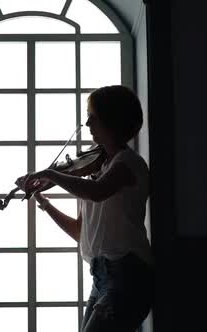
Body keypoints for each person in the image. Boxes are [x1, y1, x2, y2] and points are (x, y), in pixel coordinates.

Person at [16, 85, 152, 332]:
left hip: (127, 274)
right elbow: (80, 233)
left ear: (113, 120)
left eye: (94, 116)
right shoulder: (100, 171)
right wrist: (45, 204)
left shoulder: (127, 163)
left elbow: (97, 192)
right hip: (101, 277)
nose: (87, 122)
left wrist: (50, 173)